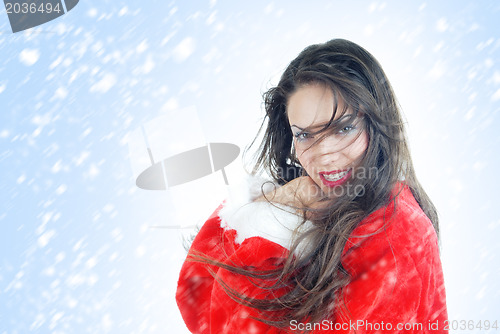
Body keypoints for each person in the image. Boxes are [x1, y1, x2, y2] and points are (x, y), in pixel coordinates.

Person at [176, 39, 448, 333]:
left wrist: (266, 225)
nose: (324, 155)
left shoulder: (395, 230)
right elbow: (195, 298)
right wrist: (271, 209)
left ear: (376, 122)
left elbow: (223, 319)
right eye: (305, 135)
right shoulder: (314, 207)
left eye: (344, 128)